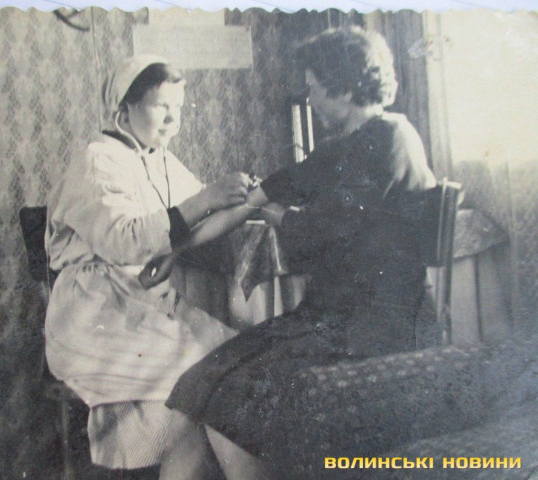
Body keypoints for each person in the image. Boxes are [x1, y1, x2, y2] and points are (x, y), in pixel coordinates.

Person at [142, 27, 440, 480]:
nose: (311, 101)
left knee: (226, 396)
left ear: (345, 88)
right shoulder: (347, 146)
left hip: (377, 325)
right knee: (203, 382)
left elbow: (314, 233)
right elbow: (253, 200)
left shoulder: (389, 139)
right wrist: (177, 248)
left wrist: (273, 210)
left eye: (315, 89)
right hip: (334, 317)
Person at [43, 54, 252, 476]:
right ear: (124, 110)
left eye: (178, 107)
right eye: (161, 106)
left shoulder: (159, 159)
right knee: (200, 375)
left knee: (236, 358)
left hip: (145, 303)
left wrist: (248, 197)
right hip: (94, 314)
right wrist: (205, 199)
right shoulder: (97, 159)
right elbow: (125, 240)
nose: (173, 118)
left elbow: (200, 213)